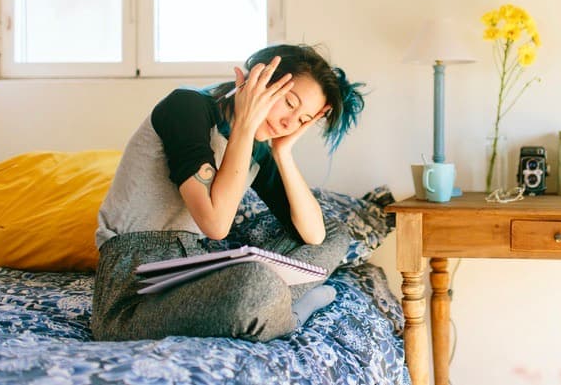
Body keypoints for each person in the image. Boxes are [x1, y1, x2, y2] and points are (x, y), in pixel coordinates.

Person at [91, 44, 365, 342]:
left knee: (335, 232)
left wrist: (283, 152)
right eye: (289, 102)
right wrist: (245, 127)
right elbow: (215, 224)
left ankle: (270, 306)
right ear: (256, 80)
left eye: (302, 120)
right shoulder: (186, 107)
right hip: (133, 294)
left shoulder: (260, 147)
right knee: (254, 283)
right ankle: (290, 314)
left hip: (192, 273)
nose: (289, 123)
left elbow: (314, 236)